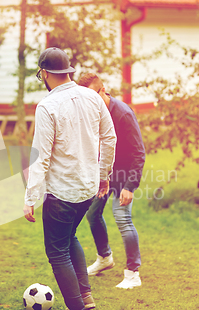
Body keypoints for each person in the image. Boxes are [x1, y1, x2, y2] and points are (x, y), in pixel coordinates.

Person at [23, 48, 116, 310]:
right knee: (69, 236)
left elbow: (41, 157)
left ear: (45, 73)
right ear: (69, 71)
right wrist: (103, 176)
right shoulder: (92, 96)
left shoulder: (47, 106)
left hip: (62, 193)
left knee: (57, 252)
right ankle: (85, 297)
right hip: (87, 190)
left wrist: (30, 198)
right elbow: (109, 138)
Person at [78, 73, 146, 289]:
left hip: (124, 175)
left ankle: (133, 273)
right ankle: (105, 258)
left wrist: (130, 186)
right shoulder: (93, 113)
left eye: (91, 96)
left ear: (102, 91)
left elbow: (138, 152)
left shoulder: (123, 114)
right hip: (103, 174)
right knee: (92, 213)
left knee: (122, 218)